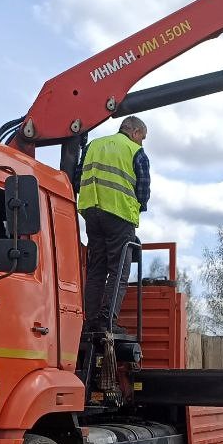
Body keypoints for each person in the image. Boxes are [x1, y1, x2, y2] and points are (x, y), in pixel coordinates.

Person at [75, 116, 150, 334]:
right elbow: (143, 191)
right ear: (135, 132)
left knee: (96, 268)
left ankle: (90, 320)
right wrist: (137, 208)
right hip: (120, 214)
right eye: (142, 137)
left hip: (91, 212)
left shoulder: (93, 146)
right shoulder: (135, 151)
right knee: (119, 271)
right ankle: (107, 320)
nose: (142, 142)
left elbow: (77, 178)